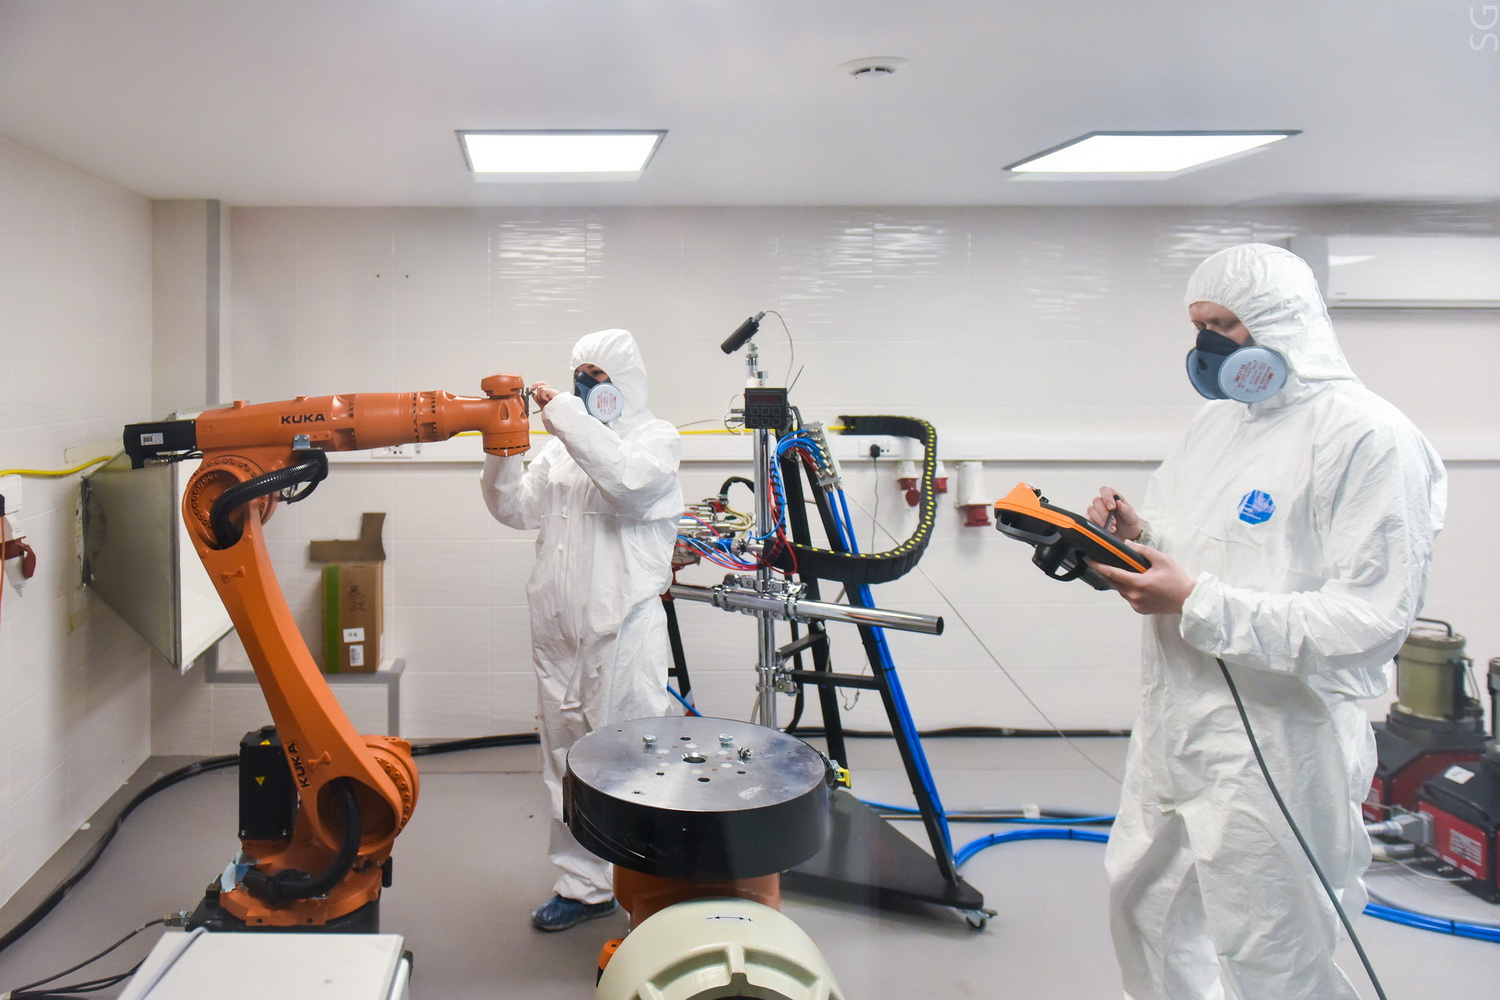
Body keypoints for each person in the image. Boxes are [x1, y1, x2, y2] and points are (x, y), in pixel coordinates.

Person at [1085, 244, 1446, 999]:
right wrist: (1138, 538)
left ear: (1285, 323)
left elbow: (1369, 620)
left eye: (1225, 325)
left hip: (1281, 742)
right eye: (1198, 326)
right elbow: (1206, 550)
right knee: (1147, 911)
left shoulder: (1368, 438)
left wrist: (1195, 601)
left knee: (1273, 948)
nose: (1208, 346)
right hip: (1177, 720)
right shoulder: (1217, 425)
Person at [480, 328, 683, 931]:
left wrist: (565, 415)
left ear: (628, 382)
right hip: (558, 631)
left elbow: (627, 484)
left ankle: (650, 887)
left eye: (598, 376)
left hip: (622, 632)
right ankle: (584, 885)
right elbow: (514, 509)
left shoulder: (655, 439)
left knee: (633, 757)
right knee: (566, 761)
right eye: (579, 374)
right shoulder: (560, 449)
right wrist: (502, 446)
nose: (585, 385)